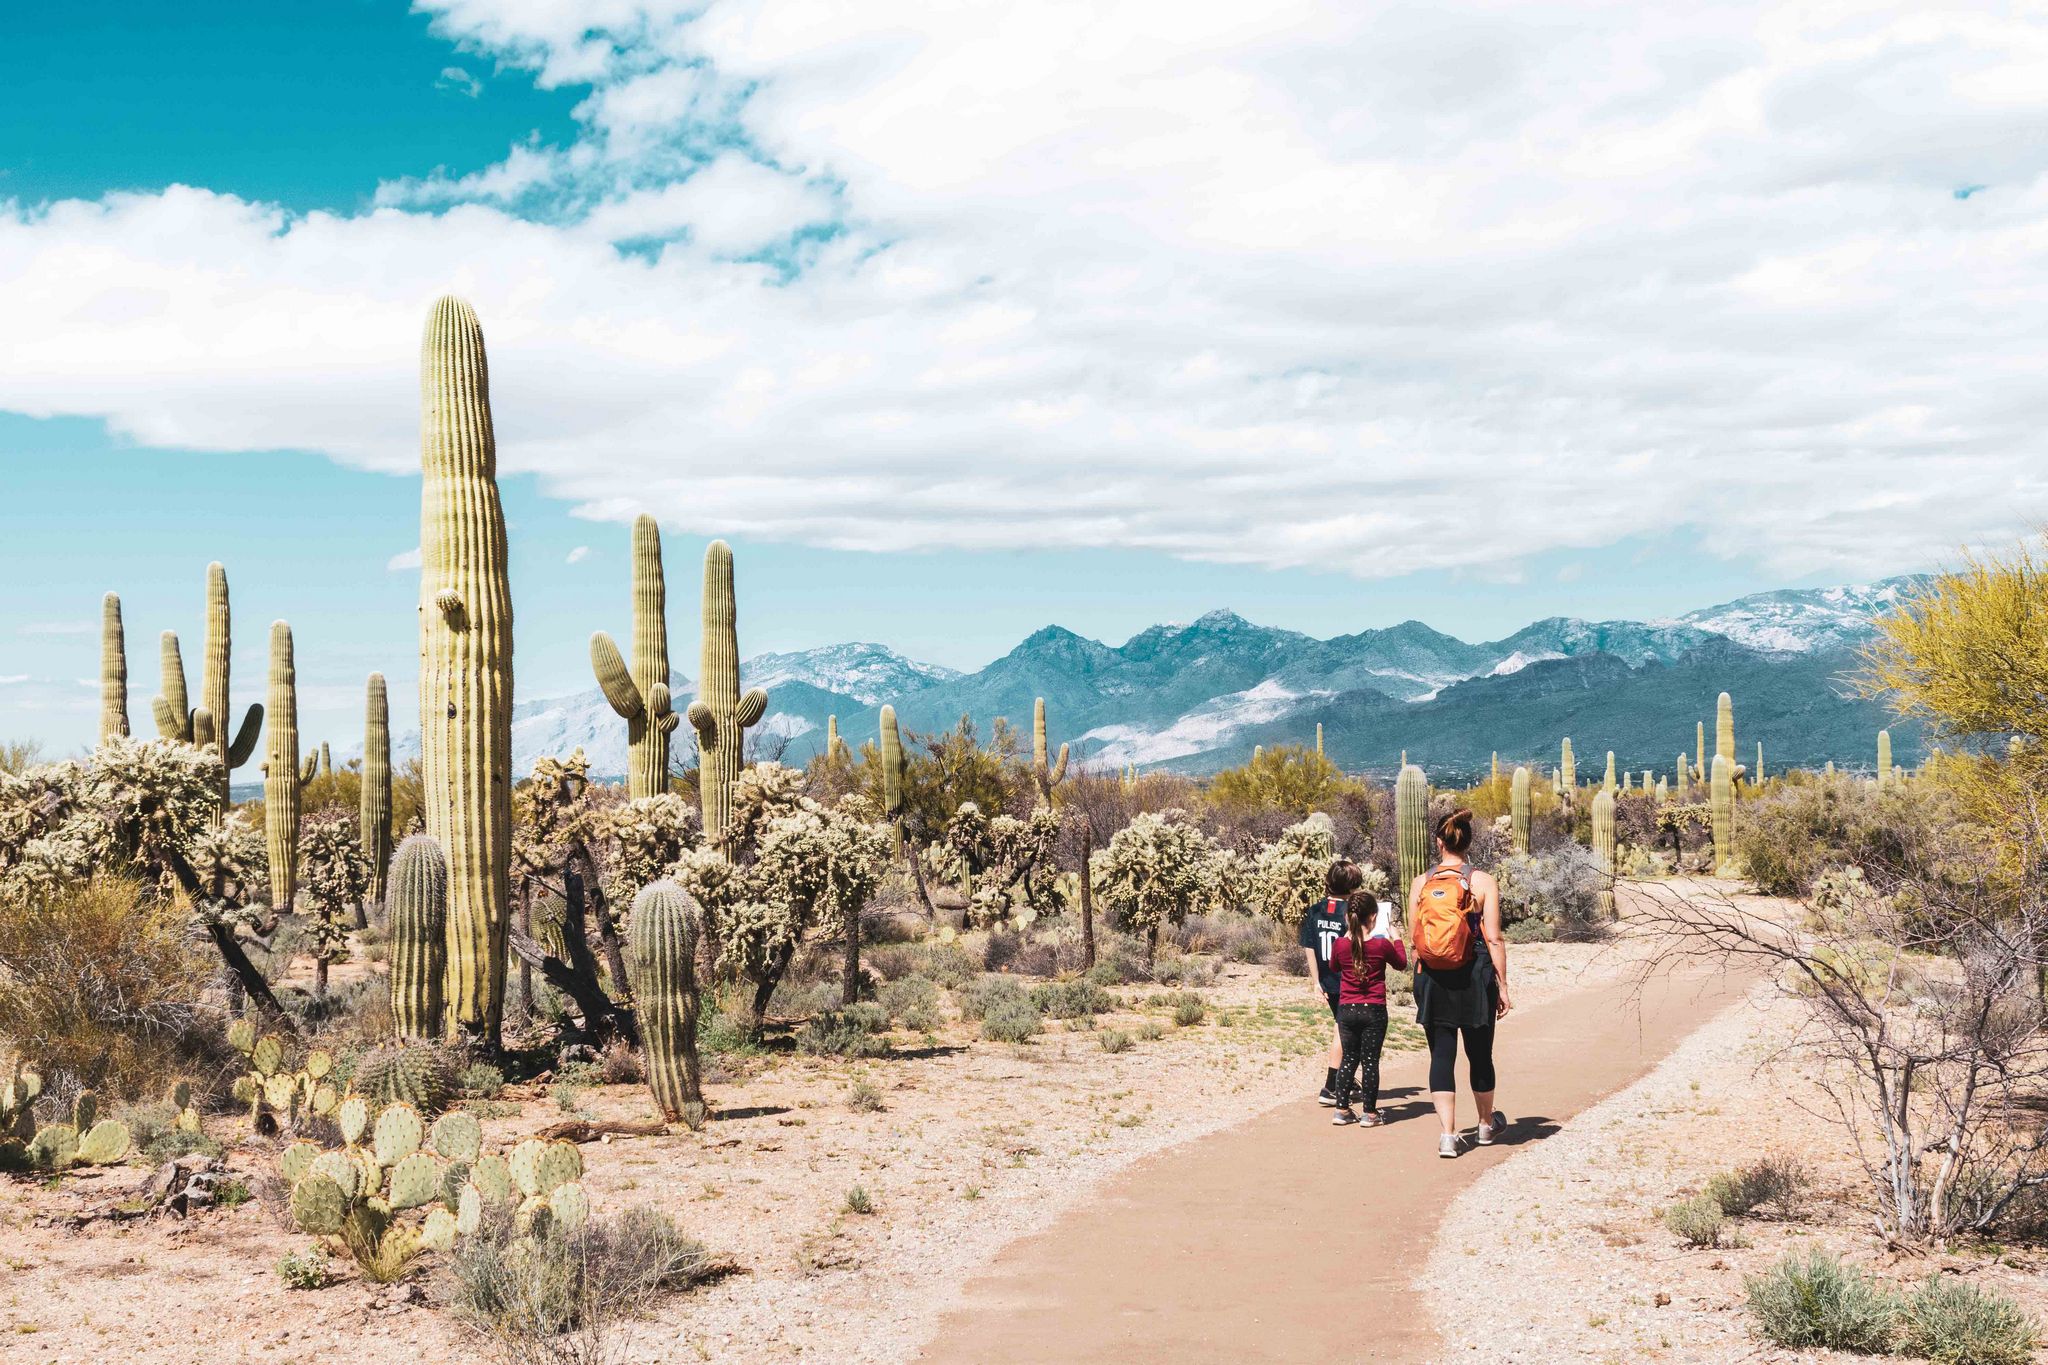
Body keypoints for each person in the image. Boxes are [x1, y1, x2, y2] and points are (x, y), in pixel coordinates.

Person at [1407, 808, 1512, 1157]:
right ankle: (1485, 1125)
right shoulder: (1483, 882)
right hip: (1474, 976)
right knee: (1480, 1053)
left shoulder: (1421, 883)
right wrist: (1503, 984)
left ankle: (1448, 1135)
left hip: (1433, 978)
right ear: (1468, 843)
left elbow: (1413, 937)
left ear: (1439, 843)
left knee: (1442, 1055)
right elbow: (1494, 938)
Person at [1326, 887, 1406, 1126]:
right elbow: (1401, 964)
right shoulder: (1381, 946)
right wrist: (1398, 938)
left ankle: (1341, 1109)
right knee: (1370, 1060)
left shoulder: (1340, 944)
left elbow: (1333, 968)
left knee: (1349, 1058)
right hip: (1374, 1009)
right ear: (1373, 917)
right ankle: (1369, 1113)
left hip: (1347, 1009)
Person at [1301, 859, 1362, 1105]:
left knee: (1342, 1024)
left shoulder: (1315, 910)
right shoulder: (1350, 912)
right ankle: (1331, 1085)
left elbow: (1309, 946)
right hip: (1347, 978)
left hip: (1326, 977)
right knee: (1344, 1028)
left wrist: (1316, 981)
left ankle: (1345, 1080)